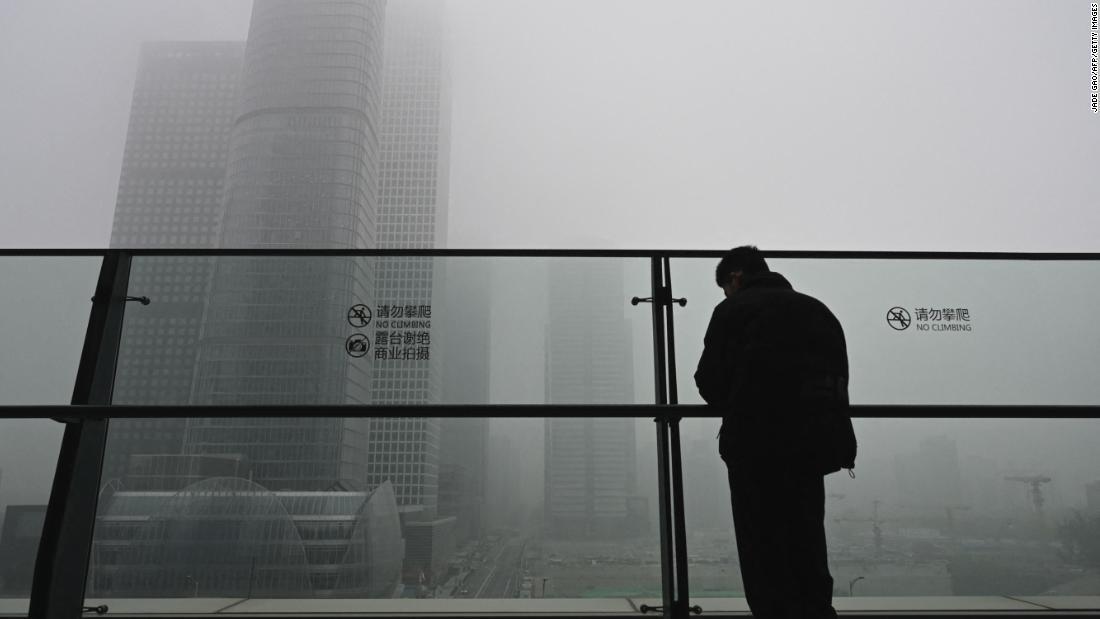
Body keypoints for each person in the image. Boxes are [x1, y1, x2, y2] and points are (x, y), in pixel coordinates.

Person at [695, 245, 849, 619]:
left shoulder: (733, 310)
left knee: (762, 544)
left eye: (726, 287)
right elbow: (838, 378)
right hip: (814, 444)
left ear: (735, 277)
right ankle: (816, 611)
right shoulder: (817, 310)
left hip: (755, 445)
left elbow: (710, 384)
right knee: (807, 537)